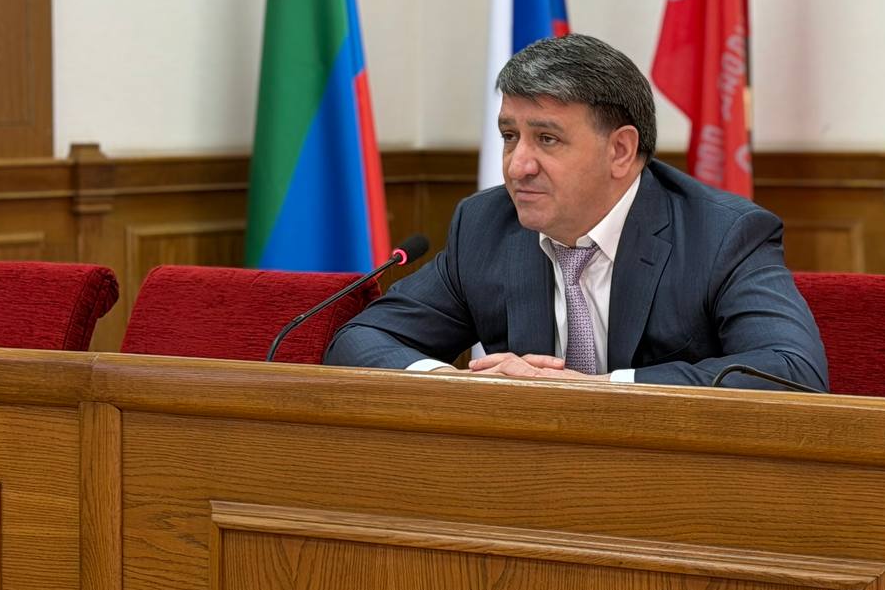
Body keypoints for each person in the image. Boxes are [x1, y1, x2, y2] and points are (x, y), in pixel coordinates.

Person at [324, 34, 829, 391]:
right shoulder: (485, 226)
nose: (518, 165)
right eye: (509, 137)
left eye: (547, 139)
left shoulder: (721, 234)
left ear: (620, 151)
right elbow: (362, 339)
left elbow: (791, 372)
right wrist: (460, 384)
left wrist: (597, 389)